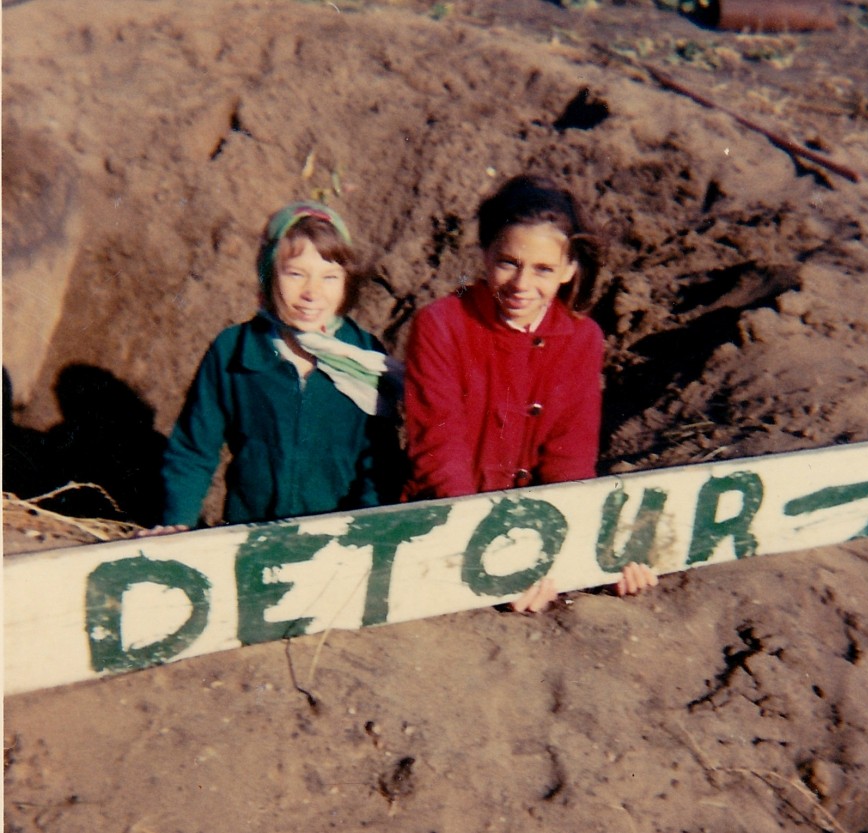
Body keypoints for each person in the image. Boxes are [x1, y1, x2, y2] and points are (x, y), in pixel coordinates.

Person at [403, 174, 657, 611]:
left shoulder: (582, 338)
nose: (522, 285)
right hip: (447, 523)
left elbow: (570, 459)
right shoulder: (441, 324)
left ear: (569, 270)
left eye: (543, 269)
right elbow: (440, 452)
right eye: (508, 262)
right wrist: (491, 556)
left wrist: (589, 559)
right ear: (484, 255)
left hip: (537, 527)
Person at [146, 201, 402, 534]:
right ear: (269, 273)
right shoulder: (235, 351)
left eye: (329, 277)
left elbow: (379, 461)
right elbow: (195, 449)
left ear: (345, 283)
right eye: (295, 274)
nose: (312, 293)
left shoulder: (364, 357)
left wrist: (367, 531)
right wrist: (176, 523)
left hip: (338, 541)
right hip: (252, 535)